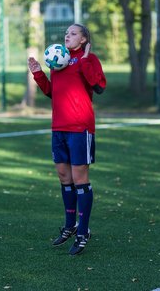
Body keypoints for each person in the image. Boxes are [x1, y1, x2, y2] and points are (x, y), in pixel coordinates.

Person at [28, 24, 106, 255]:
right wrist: (39, 74)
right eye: (66, 34)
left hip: (80, 127)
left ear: (83, 40)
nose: (67, 36)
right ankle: (70, 226)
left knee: (80, 178)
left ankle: (83, 231)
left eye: (73, 34)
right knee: (64, 176)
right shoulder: (58, 59)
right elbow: (54, 93)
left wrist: (84, 60)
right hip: (58, 126)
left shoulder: (89, 59)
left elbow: (99, 87)